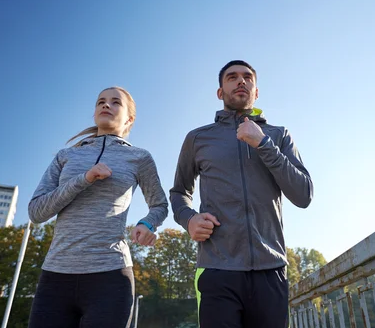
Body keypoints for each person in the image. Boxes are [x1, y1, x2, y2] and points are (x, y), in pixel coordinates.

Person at [170, 60, 313, 327]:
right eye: (232, 77)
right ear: (220, 92)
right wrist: (188, 219)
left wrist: (263, 143)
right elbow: (179, 191)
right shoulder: (198, 138)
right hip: (217, 269)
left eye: (248, 77)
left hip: (271, 271)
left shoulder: (278, 135)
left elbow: (303, 195)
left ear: (256, 92)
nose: (241, 81)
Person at [27, 86, 168, 328]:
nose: (106, 105)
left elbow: (160, 205)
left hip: (111, 276)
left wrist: (147, 223)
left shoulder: (140, 157)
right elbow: (37, 212)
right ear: (94, 114)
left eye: (116, 102)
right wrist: (84, 179)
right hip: (56, 276)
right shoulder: (66, 156)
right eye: (101, 101)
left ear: (129, 119)